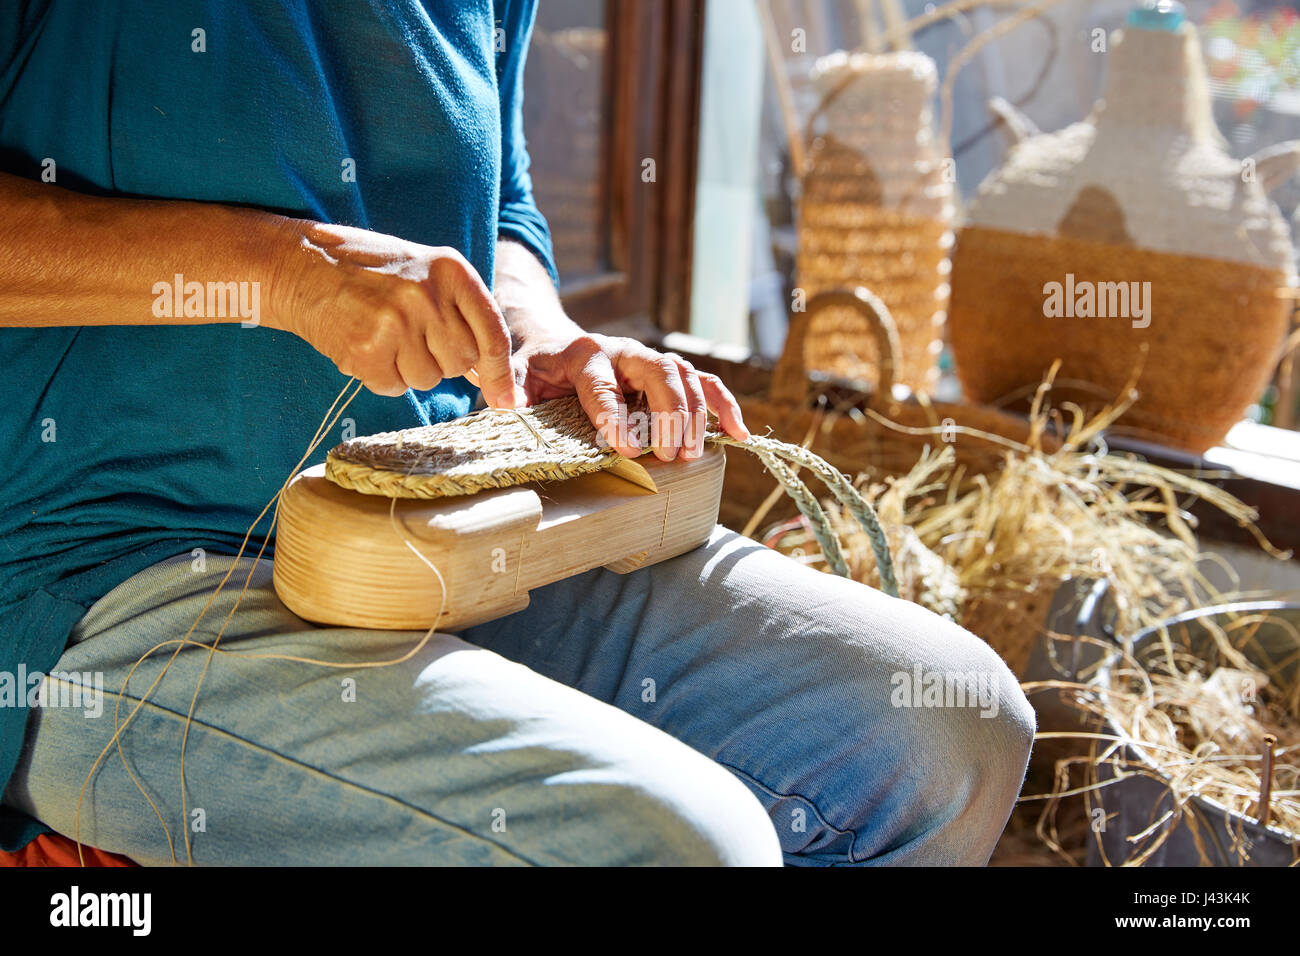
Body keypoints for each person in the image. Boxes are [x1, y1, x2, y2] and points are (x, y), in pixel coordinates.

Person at [0, 0, 1034, 866]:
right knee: (684, 844)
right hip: (101, 572)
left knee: (949, 729)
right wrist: (286, 270)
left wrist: (540, 341)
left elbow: (499, 207)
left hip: (438, 520)